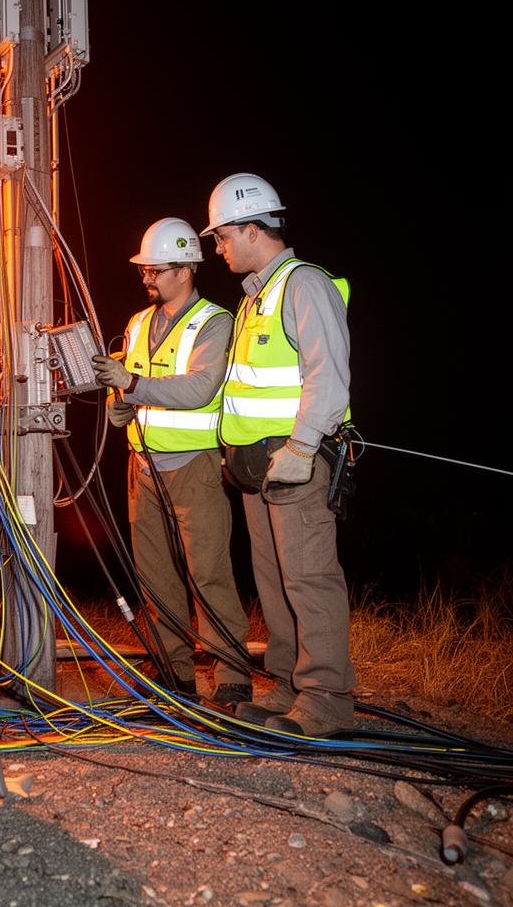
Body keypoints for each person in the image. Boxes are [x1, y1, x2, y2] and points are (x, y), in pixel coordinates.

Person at [200, 171, 354, 736]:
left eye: (222, 237)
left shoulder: (303, 284)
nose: (217, 248)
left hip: (295, 464)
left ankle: (327, 699)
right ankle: (290, 685)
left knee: (310, 577)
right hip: (257, 470)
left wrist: (303, 446)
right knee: (276, 582)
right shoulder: (255, 299)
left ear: (249, 229)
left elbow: (329, 377)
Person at [92, 218, 252, 704]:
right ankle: (174, 672)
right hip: (142, 467)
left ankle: (232, 674)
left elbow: (201, 387)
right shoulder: (138, 323)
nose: (147, 279)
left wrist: (134, 385)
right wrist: (118, 404)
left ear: (185, 270)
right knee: (155, 576)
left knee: (208, 572)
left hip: (194, 468)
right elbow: (127, 383)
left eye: (156, 271)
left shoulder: (215, 321)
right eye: (145, 271)